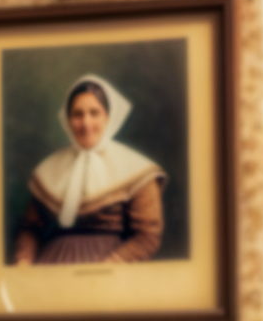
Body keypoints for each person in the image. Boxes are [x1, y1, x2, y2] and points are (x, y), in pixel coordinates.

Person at [12, 74, 167, 265]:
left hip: (115, 270)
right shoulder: (50, 169)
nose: (86, 124)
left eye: (95, 113)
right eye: (78, 114)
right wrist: (24, 262)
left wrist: (107, 268)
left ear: (107, 118)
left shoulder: (137, 170)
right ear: (68, 120)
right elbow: (29, 229)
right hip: (54, 267)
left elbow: (147, 236)